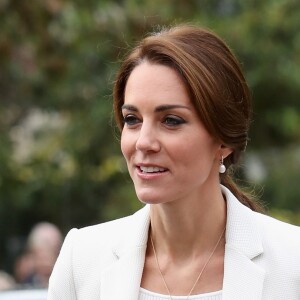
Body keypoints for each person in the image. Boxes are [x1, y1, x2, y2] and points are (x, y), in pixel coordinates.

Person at [47, 24, 300, 300]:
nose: (143, 142)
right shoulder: (81, 261)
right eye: (133, 120)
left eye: (171, 121)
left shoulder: (292, 263)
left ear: (223, 140)